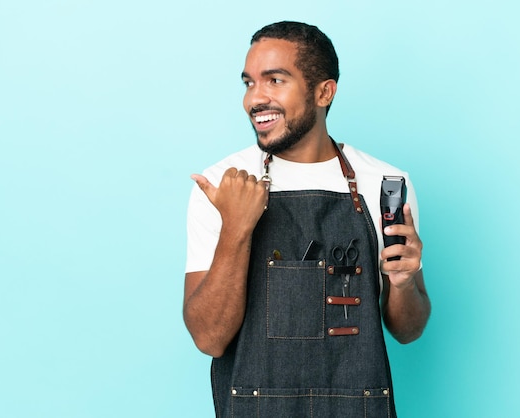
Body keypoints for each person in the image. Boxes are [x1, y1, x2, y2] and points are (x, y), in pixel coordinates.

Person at [183, 21, 431, 417]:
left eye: (275, 80)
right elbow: (210, 338)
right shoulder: (221, 186)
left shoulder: (386, 185)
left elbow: (408, 329)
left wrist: (402, 284)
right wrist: (236, 228)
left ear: (323, 92)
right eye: (248, 83)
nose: (254, 99)